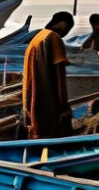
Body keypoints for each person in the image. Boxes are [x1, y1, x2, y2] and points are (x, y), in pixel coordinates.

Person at [22, 11, 74, 139]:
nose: (66, 33)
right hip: (48, 110)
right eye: (67, 28)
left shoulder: (36, 38)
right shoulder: (53, 38)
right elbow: (59, 75)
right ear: (61, 24)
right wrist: (64, 107)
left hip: (31, 108)